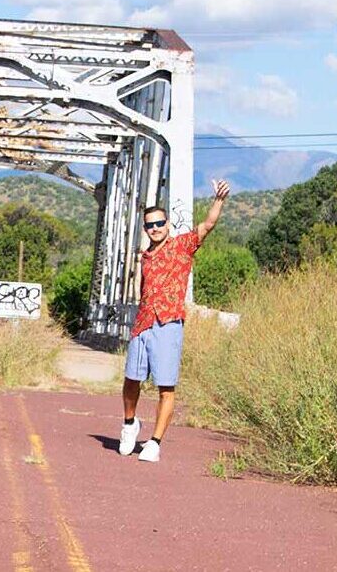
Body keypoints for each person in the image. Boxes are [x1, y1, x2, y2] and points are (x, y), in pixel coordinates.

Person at [119, 179, 230, 463]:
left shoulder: (182, 246)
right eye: (149, 225)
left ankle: (155, 442)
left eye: (159, 223)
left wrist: (218, 200)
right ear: (145, 229)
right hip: (143, 322)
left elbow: (207, 226)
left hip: (168, 322)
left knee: (166, 385)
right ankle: (130, 424)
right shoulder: (144, 257)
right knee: (132, 379)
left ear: (168, 224)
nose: (155, 229)